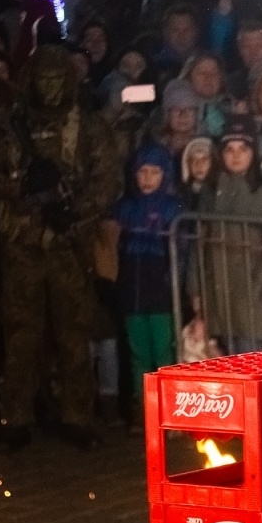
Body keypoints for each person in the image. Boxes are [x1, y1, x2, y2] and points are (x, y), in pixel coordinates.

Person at [0, 43, 122, 451]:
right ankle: (16, 415)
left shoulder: (88, 126)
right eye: (44, 80)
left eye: (59, 80)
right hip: (22, 244)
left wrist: (76, 210)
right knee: (23, 332)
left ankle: (77, 415)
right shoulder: (9, 126)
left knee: (74, 332)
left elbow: (109, 179)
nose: (51, 88)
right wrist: (20, 187)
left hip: (69, 242)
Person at [193, 117, 262, 356]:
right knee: (228, 365)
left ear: (254, 152)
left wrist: (260, 279)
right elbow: (198, 243)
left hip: (254, 294)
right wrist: (195, 290)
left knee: (250, 361)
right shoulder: (210, 189)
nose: (235, 155)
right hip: (218, 291)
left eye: (243, 149)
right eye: (229, 149)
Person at [112, 143, 183, 426]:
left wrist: (177, 284)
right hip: (133, 292)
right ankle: (145, 413)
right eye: (142, 172)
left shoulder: (173, 208)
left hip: (161, 291)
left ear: (165, 174)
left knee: (164, 353)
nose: (147, 178)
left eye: (154, 172)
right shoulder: (125, 208)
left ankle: (170, 413)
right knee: (138, 353)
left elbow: (183, 253)